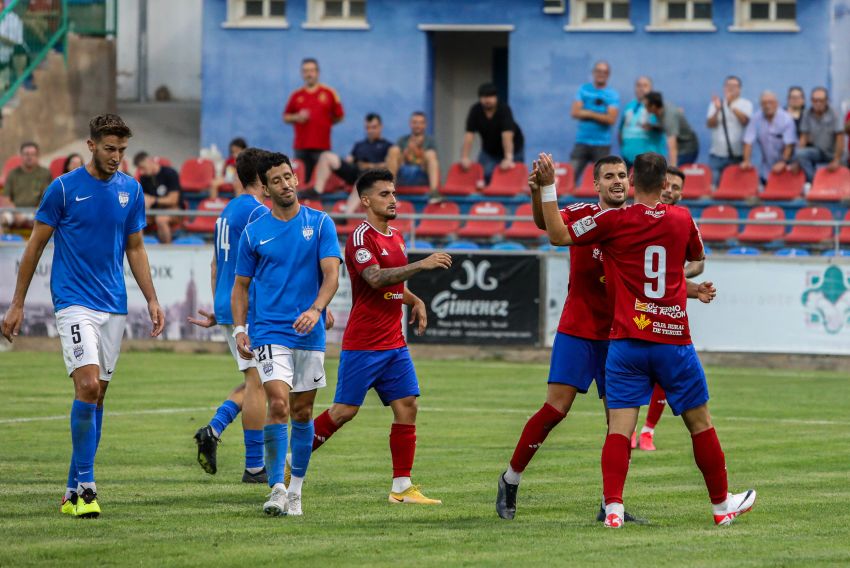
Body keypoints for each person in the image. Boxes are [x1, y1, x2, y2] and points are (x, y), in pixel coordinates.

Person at [537, 151, 755, 528]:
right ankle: (721, 508)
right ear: (667, 185)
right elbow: (696, 257)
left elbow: (557, 234)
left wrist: (548, 185)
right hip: (672, 341)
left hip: (626, 343)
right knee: (700, 423)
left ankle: (614, 510)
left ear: (633, 181)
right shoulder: (682, 218)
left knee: (619, 428)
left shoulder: (614, 219)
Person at [1, 114, 166, 518]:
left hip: (114, 304)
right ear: (91, 145)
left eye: (123, 151)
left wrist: (152, 299)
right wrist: (18, 302)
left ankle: (72, 489)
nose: (117, 157)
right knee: (88, 384)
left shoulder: (131, 190)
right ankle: (88, 488)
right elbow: (35, 247)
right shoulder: (62, 189)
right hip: (73, 301)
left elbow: (137, 249)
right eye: (110, 149)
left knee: (97, 394)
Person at [305, 168, 451, 505]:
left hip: (394, 344)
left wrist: (414, 300)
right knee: (343, 411)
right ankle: (289, 460)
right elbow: (374, 278)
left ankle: (402, 486)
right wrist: (422, 265)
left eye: (394, 193)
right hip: (365, 342)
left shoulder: (396, 235)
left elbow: (394, 283)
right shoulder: (360, 237)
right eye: (385, 194)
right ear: (366, 200)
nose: (393, 199)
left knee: (407, 406)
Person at [232, 152, 341, 517]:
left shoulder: (320, 222)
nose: (286, 184)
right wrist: (239, 328)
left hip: (308, 331)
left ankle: (296, 489)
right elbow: (241, 287)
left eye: (289, 176)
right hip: (269, 331)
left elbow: (331, 276)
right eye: (277, 180)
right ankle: (277, 487)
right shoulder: (254, 231)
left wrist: (316, 309)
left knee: (303, 410)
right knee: (277, 403)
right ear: (265, 187)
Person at [187, 148, 270, 482]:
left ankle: (214, 428)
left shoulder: (228, 211)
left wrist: (220, 308)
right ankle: (254, 467)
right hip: (246, 306)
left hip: (228, 303)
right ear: (263, 178)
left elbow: (215, 264)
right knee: (259, 383)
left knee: (260, 379)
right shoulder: (257, 212)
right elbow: (264, 262)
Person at [633, 165, 705, 452]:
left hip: (668, 310)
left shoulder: (683, 220)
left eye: (677, 188)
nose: (671, 191)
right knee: (629, 370)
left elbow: (699, 261)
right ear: (660, 184)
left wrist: (673, 277)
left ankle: (648, 431)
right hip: (635, 307)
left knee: (665, 371)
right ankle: (627, 431)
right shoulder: (633, 214)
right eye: (668, 185)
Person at [283, 58, 345, 183]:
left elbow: (339, 116)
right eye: (305, 71)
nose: (309, 74)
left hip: (322, 148)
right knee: (299, 183)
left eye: (311, 70)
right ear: (302, 73)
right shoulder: (296, 95)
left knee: (320, 184)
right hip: (301, 148)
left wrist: (325, 122)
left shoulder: (329, 93)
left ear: (317, 72)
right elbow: (286, 117)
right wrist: (296, 117)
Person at [312, 112, 391, 196]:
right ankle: (317, 192)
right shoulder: (359, 145)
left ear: (380, 127)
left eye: (374, 127)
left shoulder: (388, 146)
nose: (370, 130)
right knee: (326, 156)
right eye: (368, 128)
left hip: (371, 176)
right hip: (354, 172)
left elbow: (390, 167)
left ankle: (349, 208)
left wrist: (369, 166)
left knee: (363, 180)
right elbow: (350, 159)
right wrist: (348, 161)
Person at [461, 83, 525, 183]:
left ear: (496, 97)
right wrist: (465, 157)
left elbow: (507, 135)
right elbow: (469, 135)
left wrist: (508, 157)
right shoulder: (475, 111)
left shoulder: (504, 109)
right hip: (489, 150)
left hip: (513, 149)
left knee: (512, 179)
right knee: (483, 176)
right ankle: (487, 199)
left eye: (490, 96)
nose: (487, 100)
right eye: (484, 97)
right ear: (480, 98)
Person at [570, 61, 620, 183]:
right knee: (570, 178)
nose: (601, 74)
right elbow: (575, 112)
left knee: (603, 180)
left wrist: (587, 113)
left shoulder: (612, 94)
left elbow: (611, 119)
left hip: (602, 144)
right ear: (593, 73)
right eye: (598, 71)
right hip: (582, 141)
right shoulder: (584, 89)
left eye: (604, 72)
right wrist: (601, 115)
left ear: (608, 74)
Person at [790, 87, 845, 182]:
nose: (818, 103)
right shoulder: (807, 114)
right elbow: (803, 137)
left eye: (821, 100)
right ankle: (814, 182)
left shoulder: (834, 114)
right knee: (800, 154)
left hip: (834, 152)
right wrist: (796, 161)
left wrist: (836, 159)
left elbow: (840, 138)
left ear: (827, 101)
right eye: (815, 100)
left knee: (844, 164)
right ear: (811, 101)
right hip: (818, 151)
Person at [706, 76, 753, 185]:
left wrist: (730, 105)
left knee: (735, 186)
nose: (731, 88)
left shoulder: (746, 104)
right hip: (717, 155)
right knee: (713, 185)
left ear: (740, 89)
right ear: (724, 88)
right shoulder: (715, 104)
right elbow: (710, 124)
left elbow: (745, 121)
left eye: (734, 86)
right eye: (728, 85)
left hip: (736, 155)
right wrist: (717, 109)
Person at [741, 91, 797, 182]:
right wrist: (746, 161)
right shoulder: (756, 118)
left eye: (770, 102)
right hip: (766, 167)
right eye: (764, 103)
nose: (767, 106)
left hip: (787, 164)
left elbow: (789, 144)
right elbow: (748, 141)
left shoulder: (786, 119)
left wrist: (783, 162)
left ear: (777, 103)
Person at [387, 111, 441, 201]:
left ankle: (434, 192)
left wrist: (417, 152)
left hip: (421, 175)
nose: (417, 125)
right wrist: (406, 153)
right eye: (415, 122)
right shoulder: (402, 140)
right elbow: (394, 161)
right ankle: (390, 191)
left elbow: (432, 163)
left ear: (425, 125)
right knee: (393, 150)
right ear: (410, 124)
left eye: (420, 123)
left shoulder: (430, 141)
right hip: (403, 175)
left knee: (431, 153)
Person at [133, 151, 183, 244]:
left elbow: (173, 200)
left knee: (161, 219)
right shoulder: (144, 178)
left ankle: (167, 251)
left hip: (174, 210)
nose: (141, 171)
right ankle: (139, 249)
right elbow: (146, 198)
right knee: (137, 218)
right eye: (139, 169)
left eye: (142, 167)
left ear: (149, 161)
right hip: (154, 210)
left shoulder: (170, 173)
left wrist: (153, 200)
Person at [3, 142, 52, 228]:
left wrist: (35, 213)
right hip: (14, 211)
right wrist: (16, 213)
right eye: (26, 154)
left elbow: (47, 197)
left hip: (36, 211)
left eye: (32, 154)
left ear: (37, 156)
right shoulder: (12, 174)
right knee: (2, 218)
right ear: (21, 156)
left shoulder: (45, 173)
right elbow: (6, 198)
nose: (29, 157)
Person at [645, 92, 700, 166]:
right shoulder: (660, 109)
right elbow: (665, 126)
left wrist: (672, 168)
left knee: (674, 174)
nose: (644, 107)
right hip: (681, 146)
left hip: (687, 149)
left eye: (646, 105)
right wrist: (653, 127)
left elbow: (673, 147)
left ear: (653, 106)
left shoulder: (669, 117)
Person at [619, 76, 661, 168]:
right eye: (638, 85)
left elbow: (664, 127)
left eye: (645, 85)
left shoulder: (656, 107)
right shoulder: (628, 106)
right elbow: (621, 129)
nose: (641, 88)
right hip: (627, 157)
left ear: (651, 89)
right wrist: (624, 148)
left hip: (649, 160)